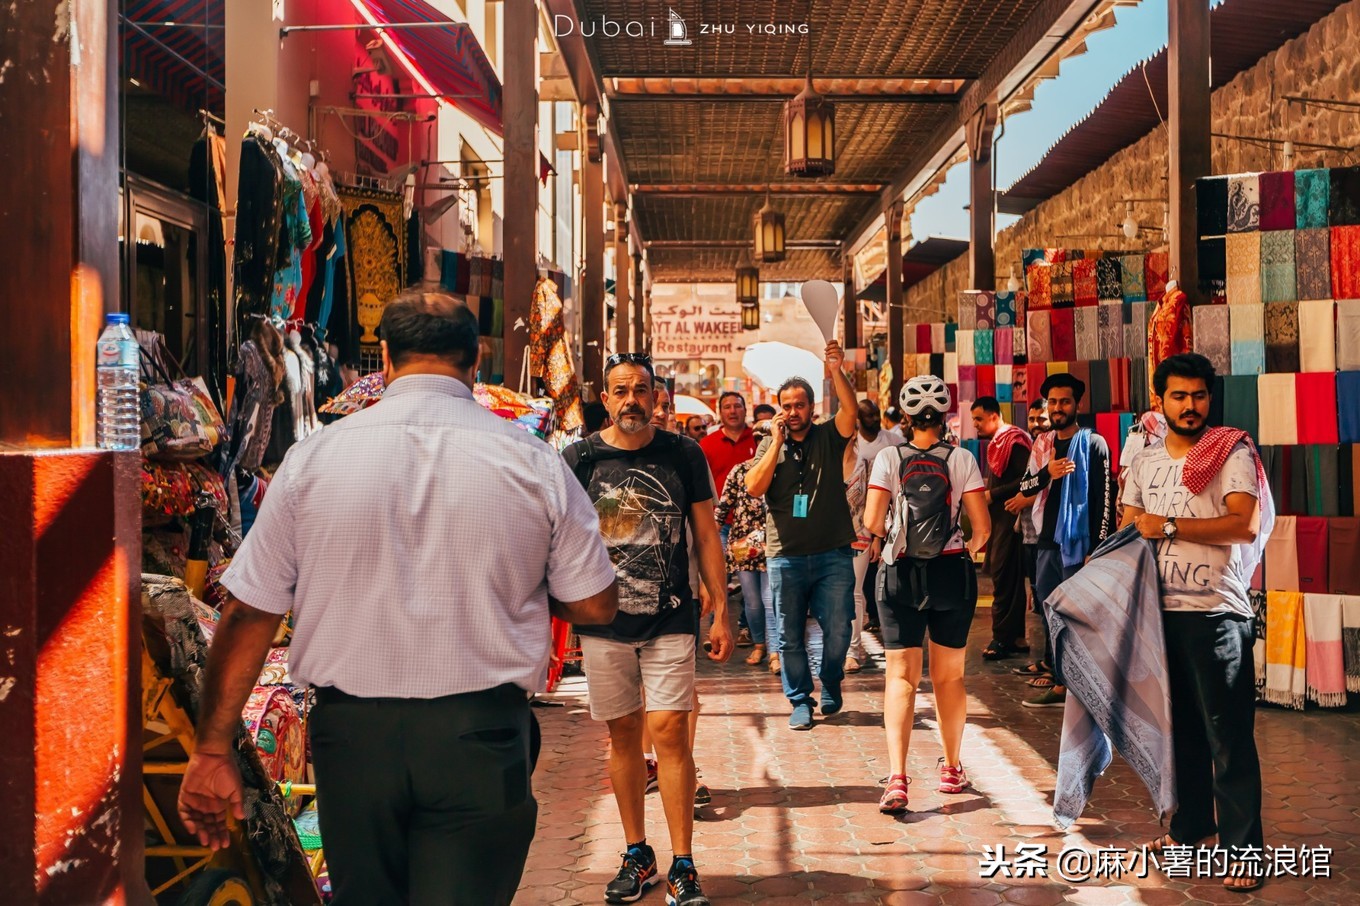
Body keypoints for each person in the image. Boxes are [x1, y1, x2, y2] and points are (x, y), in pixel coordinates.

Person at [177, 293, 619, 905]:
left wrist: (210, 746)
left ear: (384, 359)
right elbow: (596, 604)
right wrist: (526, 581)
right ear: (476, 361)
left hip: (353, 739)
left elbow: (250, 610)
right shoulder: (533, 462)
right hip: (478, 733)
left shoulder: (312, 459)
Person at [563, 352, 732, 906]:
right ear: (605, 399)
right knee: (623, 735)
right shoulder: (579, 458)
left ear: (657, 397)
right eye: (621, 390)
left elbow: (706, 535)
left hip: (671, 616)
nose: (632, 399)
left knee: (669, 730)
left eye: (642, 389)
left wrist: (722, 609)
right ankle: (638, 852)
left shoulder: (684, 454)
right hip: (604, 622)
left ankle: (684, 861)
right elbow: (559, 539)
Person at [1120, 353, 1271, 893]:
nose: (1191, 405)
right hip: (1160, 615)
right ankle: (1189, 833)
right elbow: (1128, 523)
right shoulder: (1144, 458)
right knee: (1179, 732)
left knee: (1227, 737)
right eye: (1180, 396)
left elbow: (1244, 525)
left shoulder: (1230, 452)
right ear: (1159, 399)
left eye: (1200, 395)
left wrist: (1167, 525)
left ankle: (1244, 851)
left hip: (1217, 615)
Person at [864, 376, 990, 813]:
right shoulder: (962, 459)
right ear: (945, 416)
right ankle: (952, 768)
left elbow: (872, 521)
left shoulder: (887, 458)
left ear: (905, 417)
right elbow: (983, 528)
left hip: (899, 573)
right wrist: (963, 552)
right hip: (951, 574)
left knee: (900, 676)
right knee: (949, 677)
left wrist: (899, 537)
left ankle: (897, 778)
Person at [745, 340, 859, 731]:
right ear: (780, 409)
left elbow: (851, 411)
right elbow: (754, 488)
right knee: (789, 634)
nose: (793, 412)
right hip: (786, 555)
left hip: (832, 553)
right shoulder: (766, 445)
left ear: (811, 407)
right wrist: (775, 442)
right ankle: (799, 700)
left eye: (800, 405)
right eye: (787, 406)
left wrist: (837, 369)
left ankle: (830, 680)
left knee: (840, 627)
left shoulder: (828, 437)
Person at [1008, 373, 1116, 708]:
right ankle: (1061, 676)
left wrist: (1097, 548)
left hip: (1079, 544)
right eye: (1052, 402)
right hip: (1047, 541)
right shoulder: (1043, 444)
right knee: (1049, 610)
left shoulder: (1094, 443)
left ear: (1077, 404)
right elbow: (1025, 488)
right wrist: (1047, 474)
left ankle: (1072, 684)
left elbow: (1105, 499)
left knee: (1078, 615)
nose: (1057, 408)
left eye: (1064, 401)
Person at [970, 397, 1033, 660]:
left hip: (1010, 519)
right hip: (1001, 520)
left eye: (979, 419)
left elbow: (1024, 481)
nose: (975, 425)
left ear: (995, 416)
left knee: (1005, 577)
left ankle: (1002, 639)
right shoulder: (1001, 442)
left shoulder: (1014, 442)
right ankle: (1015, 638)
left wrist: (991, 495)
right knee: (1006, 577)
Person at [715, 420, 778, 669]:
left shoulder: (781, 471)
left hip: (774, 543)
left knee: (770, 598)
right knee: (752, 600)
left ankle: (775, 651)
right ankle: (760, 644)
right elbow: (724, 507)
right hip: (743, 543)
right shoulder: (739, 471)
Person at [845, 400, 901, 672]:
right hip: (829, 535)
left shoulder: (883, 449)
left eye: (875, 414)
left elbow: (874, 500)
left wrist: (878, 534)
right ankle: (841, 647)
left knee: (855, 591)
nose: (873, 418)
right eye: (866, 414)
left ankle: (852, 651)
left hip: (862, 532)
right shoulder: (830, 457)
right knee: (837, 593)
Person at [701, 392, 759, 646]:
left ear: (745, 410)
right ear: (719, 412)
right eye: (727, 407)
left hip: (750, 528)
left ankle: (747, 627)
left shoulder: (758, 441)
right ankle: (718, 624)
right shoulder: (707, 444)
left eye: (737, 406)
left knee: (750, 582)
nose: (733, 411)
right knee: (718, 577)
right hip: (720, 524)